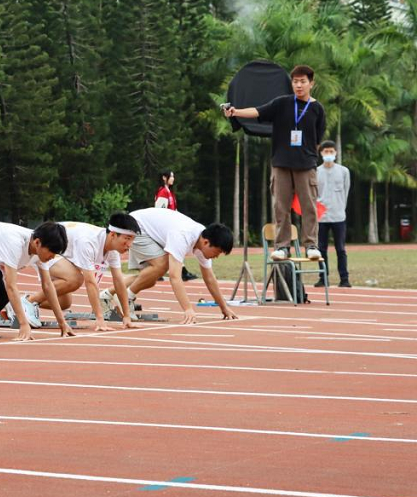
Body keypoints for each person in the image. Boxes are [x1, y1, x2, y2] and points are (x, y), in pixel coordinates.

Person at [223, 65, 326, 261]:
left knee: (309, 207)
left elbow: (317, 141)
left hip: (306, 165)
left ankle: (311, 245)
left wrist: (311, 158)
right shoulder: (282, 103)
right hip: (281, 163)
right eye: (295, 82)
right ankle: (282, 246)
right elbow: (257, 111)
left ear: (311, 83)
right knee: (281, 207)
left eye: (303, 81)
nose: (299, 85)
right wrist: (235, 112)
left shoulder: (317, 109)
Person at [25, 215, 140, 331]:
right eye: (127, 238)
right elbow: (90, 282)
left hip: (62, 254)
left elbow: (118, 281)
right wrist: (100, 319)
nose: (130, 244)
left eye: (132, 239)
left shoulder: (112, 250)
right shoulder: (88, 242)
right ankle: (29, 301)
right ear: (113, 235)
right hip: (46, 246)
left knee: (64, 303)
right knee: (75, 279)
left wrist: (126, 316)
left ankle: (22, 304)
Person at [125, 208, 238, 324]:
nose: (217, 256)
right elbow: (175, 277)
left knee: (149, 279)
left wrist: (224, 307)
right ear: (206, 242)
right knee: (162, 265)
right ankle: (126, 298)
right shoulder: (183, 236)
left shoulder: (202, 240)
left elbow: (209, 278)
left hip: (146, 229)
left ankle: (113, 292)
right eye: (218, 252)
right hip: (137, 225)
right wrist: (187, 309)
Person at [316, 140, 351, 288]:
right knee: (321, 249)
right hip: (322, 216)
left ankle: (344, 278)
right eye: (326, 151)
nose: (329, 154)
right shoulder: (316, 172)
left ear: (336, 153)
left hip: (338, 215)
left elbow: (346, 191)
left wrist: (341, 207)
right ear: (321, 153)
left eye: (331, 151)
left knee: (340, 249)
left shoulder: (344, 171)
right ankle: (323, 278)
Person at [154, 170, 197, 282]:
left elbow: (174, 210)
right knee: (173, 249)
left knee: (170, 250)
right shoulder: (163, 192)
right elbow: (159, 211)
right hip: (166, 226)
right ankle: (182, 272)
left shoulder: (170, 192)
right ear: (164, 177)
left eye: (173, 176)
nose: (173, 178)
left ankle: (180, 272)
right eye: (171, 176)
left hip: (171, 225)